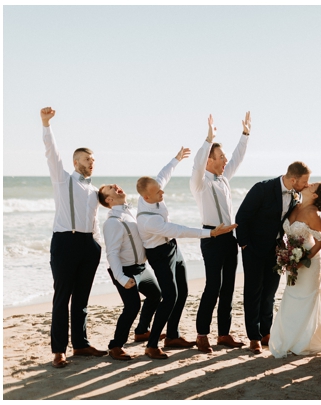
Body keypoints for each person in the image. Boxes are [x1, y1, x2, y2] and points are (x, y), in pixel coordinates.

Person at [135, 148, 236, 358]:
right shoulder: (148, 219)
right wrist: (210, 233)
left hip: (172, 249)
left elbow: (163, 174)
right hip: (159, 254)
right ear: (146, 197)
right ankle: (152, 344)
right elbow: (180, 230)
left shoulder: (152, 192)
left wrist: (176, 159)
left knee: (182, 292)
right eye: (158, 192)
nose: (162, 193)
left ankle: (172, 335)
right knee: (169, 297)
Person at [40, 107, 108, 368]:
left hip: (88, 245)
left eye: (93, 159)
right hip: (65, 242)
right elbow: (51, 154)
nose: (91, 162)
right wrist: (46, 125)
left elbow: (96, 220)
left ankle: (80, 344)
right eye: (86, 159)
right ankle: (59, 350)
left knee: (82, 299)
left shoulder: (93, 191)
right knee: (62, 297)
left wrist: (98, 245)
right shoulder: (62, 179)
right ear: (75, 162)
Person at [235, 161, 312, 354]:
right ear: (293, 179)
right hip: (253, 249)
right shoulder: (262, 189)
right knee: (253, 292)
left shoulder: (297, 194)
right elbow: (242, 216)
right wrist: (244, 244)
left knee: (269, 292)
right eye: (304, 181)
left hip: (276, 250)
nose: (307, 185)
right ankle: (253, 337)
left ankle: (266, 333)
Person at [191, 112, 251, 353]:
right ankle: (201, 334)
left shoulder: (224, 178)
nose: (225, 160)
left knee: (228, 288)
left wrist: (245, 134)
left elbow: (238, 157)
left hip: (229, 238)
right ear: (209, 160)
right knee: (213, 287)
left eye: (224, 157)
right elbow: (196, 164)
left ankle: (224, 334)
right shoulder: (199, 182)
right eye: (221, 157)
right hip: (211, 237)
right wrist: (208, 139)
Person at [97, 184, 161, 361]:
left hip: (141, 268)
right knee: (132, 307)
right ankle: (116, 346)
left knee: (156, 295)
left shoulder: (131, 212)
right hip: (125, 271)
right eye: (111, 188)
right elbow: (112, 253)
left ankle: (141, 331)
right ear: (109, 200)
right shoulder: (112, 222)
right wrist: (121, 278)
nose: (115, 186)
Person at [269, 183, 321, 358]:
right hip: (292, 258)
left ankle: (303, 342)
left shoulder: (313, 214)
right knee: (291, 296)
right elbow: (284, 233)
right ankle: (288, 339)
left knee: (306, 298)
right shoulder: (294, 206)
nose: (308, 184)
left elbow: (319, 243)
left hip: (309, 261)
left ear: (316, 195)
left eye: (313, 186)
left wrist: (301, 261)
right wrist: (284, 253)